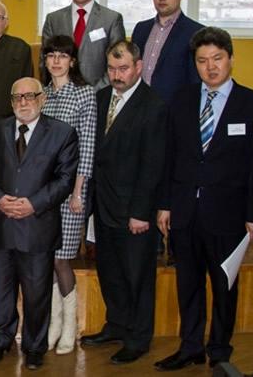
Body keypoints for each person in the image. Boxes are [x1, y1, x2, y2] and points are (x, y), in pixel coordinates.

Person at [154, 27, 253, 371]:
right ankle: (190, 347)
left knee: (224, 287)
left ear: (231, 59)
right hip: (185, 211)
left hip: (228, 214)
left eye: (217, 59)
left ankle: (219, 349)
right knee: (188, 284)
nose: (210, 67)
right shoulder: (182, 100)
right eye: (202, 61)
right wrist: (165, 204)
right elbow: (169, 155)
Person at [0, 77, 79, 371]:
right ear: (11, 102)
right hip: (3, 225)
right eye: (17, 97)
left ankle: (34, 347)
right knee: (0, 291)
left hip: (38, 227)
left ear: (42, 99)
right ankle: (1, 340)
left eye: (29, 96)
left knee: (37, 294)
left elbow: (65, 179)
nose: (23, 102)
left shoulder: (62, 133)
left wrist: (34, 203)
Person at [80, 40, 167, 365]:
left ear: (139, 67)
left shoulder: (153, 105)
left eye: (124, 68)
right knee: (110, 271)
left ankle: (138, 338)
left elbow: (153, 164)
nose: (117, 75)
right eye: (112, 68)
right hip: (103, 206)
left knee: (138, 277)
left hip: (134, 212)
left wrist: (141, 212)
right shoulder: (102, 98)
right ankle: (116, 325)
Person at [39, 35, 97, 355]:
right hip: (43, 192)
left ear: (72, 61)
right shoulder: (42, 93)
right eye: (51, 55)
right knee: (47, 257)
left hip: (70, 191)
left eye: (63, 56)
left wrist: (78, 192)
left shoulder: (84, 93)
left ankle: (70, 326)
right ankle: (53, 324)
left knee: (62, 259)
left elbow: (87, 144)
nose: (56, 61)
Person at [42, 0, 125, 89]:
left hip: (100, 93)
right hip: (61, 94)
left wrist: (93, 92)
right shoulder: (53, 20)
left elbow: (117, 62)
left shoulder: (112, 19)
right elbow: (45, 61)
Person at [131, 0, 204, 105]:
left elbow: (196, 80)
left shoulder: (196, 32)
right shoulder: (141, 29)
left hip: (175, 108)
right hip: (139, 107)